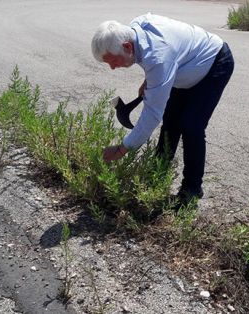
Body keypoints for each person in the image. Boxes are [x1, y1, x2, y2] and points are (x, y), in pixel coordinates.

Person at [91, 13, 234, 203]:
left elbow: (151, 115)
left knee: (191, 125)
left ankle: (191, 189)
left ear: (127, 47)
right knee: (171, 121)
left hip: (214, 62)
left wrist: (121, 150)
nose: (112, 67)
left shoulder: (159, 59)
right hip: (183, 66)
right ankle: (157, 174)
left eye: (113, 61)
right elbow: (160, 58)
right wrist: (150, 79)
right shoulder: (135, 30)